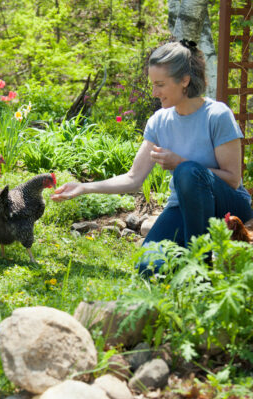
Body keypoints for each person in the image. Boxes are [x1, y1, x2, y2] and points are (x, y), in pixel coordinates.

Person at [51, 40, 253, 275]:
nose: (154, 92)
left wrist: (181, 163)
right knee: (148, 267)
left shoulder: (217, 115)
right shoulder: (159, 121)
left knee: (187, 172)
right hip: (183, 207)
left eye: (160, 84)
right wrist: (83, 187)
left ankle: (200, 269)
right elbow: (133, 178)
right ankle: (189, 261)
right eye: (152, 84)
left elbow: (232, 179)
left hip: (228, 205)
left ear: (184, 80)